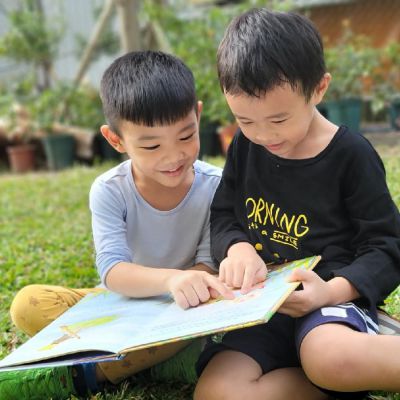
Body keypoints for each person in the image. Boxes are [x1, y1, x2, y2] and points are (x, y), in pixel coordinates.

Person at [0, 50, 233, 400]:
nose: (173, 156)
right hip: (123, 302)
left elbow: (205, 267)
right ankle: (162, 362)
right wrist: (170, 279)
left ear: (198, 116)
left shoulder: (215, 185)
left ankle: (77, 377)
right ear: (115, 140)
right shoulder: (110, 190)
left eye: (186, 137)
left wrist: (183, 285)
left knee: (184, 325)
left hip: (182, 308)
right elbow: (112, 270)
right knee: (28, 304)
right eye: (151, 145)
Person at [194, 8, 400, 400]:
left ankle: (353, 360)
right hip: (264, 312)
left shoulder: (350, 156)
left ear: (319, 89)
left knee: (329, 358)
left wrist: (330, 292)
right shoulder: (245, 146)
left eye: (278, 119)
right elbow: (224, 214)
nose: (262, 135)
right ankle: (353, 376)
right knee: (217, 392)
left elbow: (387, 247)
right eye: (245, 121)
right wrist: (237, 248)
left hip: (330, 303)